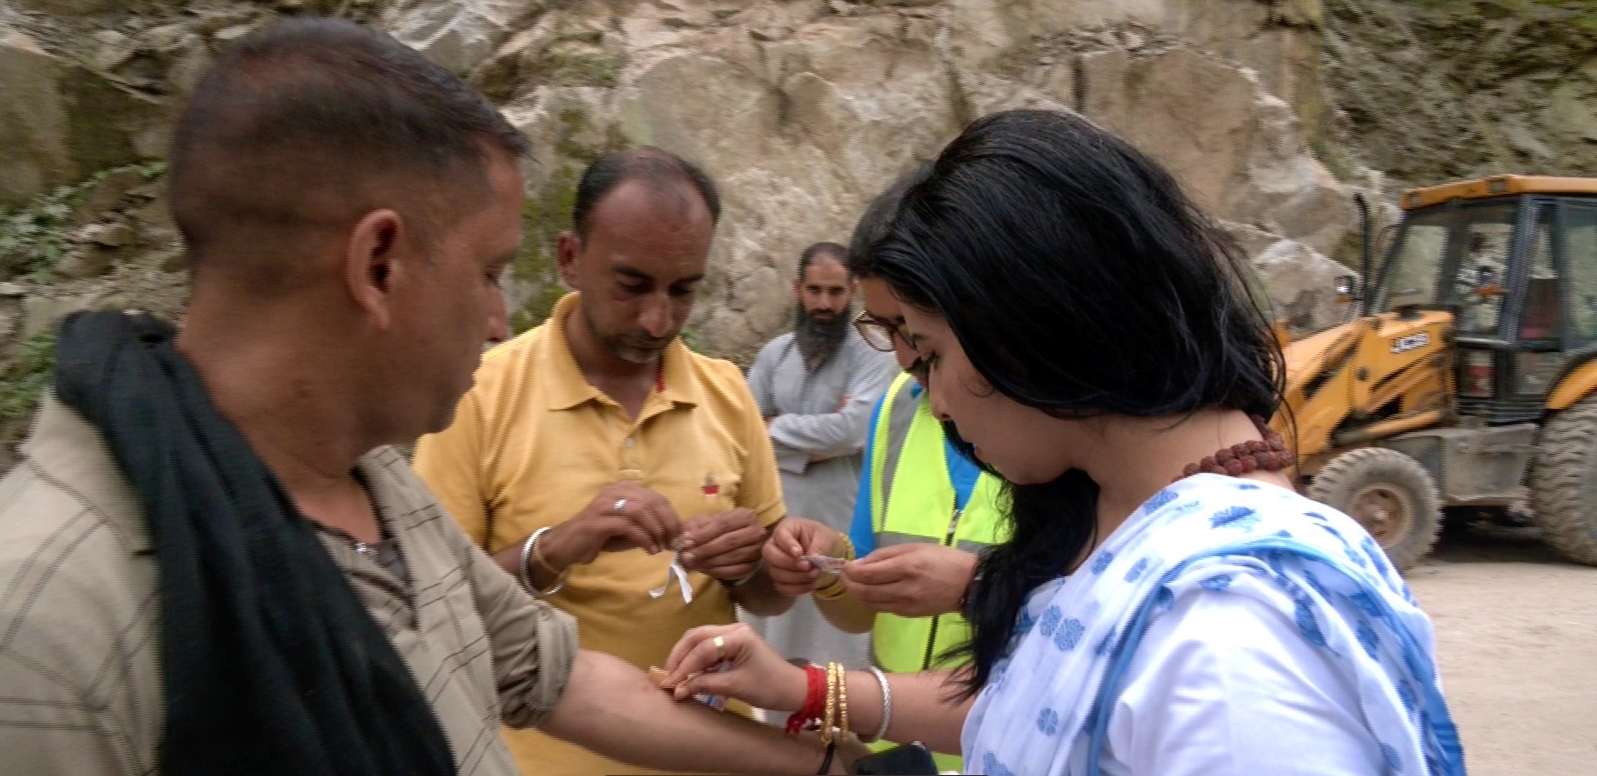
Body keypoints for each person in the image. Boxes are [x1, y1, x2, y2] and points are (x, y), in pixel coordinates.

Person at [0, 18, 861, 776]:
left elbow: (551, 675)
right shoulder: (50, 617)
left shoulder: (379, 489)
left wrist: (828, 763)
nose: (497, 321)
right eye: (487, 273)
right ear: (379, 266)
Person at [660, 109, 1466, 776]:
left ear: (1028, 322)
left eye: (931, 352)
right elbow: (1036, 701)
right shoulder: (1124, 534)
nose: (931, 398)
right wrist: (809, 690)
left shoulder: (1226, 646)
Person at [412, 146, 797, 776]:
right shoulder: (477, 395)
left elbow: (765, 600)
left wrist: (757, 566)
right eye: (633, 285)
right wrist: (554, 549)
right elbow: (432, 608)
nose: (658, 318)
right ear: (569, 258)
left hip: (719, 758)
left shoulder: (726, 392)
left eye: (684, 291)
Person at [761, 173, 1009, 772]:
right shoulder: (897, 409)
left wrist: (976, 585)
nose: (900, 354)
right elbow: (857, 611)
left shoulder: (1059, 434)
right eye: (884, 329)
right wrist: (829, 566)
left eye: (911, 328)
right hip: (892, 754)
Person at [742, 242, 896, 672]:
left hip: (837, 512)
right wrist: (809, 442)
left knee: (835, 633)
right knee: (771, 627)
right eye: (814, 291)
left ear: (852, 293)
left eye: (835, 292)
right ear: (797, 289)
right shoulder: (776, 355)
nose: (824, 304)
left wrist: (779, 428)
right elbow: (747, 430)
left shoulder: (872, 352)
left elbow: (853, 429)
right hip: (776, 511)